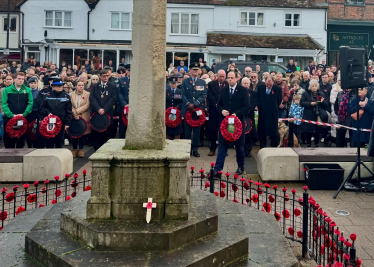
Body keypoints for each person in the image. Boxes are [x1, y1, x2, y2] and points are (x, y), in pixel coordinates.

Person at [213, 71, 250, 175]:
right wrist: (221, 111)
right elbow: (219, 105)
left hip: (237, 124)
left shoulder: (243, 90)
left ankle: (240, 167)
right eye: (228, 78)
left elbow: (246, 107)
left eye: (232, 78)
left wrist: (236, 114)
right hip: (225, 124)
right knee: (222, 145)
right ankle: (217, 169)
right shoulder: (224, 90)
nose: (230, 79)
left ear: (236, 79)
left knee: (239, 146)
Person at [1, 72, 33, 148]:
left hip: (22, 118)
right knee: (9, 140)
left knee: (21, 140)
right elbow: (4, 104)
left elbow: (30, 103)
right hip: (10, 118)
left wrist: (24, 114)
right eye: (19, 78)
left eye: (22, 79)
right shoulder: (7, 90)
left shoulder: (27, 90)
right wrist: (11, 115)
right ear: (14, 79)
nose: (21, 80)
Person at [181, 63, 207, 157]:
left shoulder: (201, 82)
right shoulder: (185, 82)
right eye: (193, 70)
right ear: (190, 71)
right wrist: (188, 104)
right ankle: (187, 149)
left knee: (197, 131)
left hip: (197, 110)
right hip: (187, 109)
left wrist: (195, 104)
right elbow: (182, 94)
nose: (195, 72)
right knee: (187, 131)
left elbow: (203, 94)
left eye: (197, 70)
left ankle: (195, 149)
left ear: (199, 71)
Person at [89, 69, 117, 150]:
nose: (106, 78)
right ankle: (96, 148)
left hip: (107, 112)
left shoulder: (112, 86)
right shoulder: (95, 86)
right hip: (97, 113)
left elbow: (114, 98)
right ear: (100, 77)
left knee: (107, 132)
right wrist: (98, 109)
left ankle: (106, 149)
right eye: (104, 76)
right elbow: (92, 98)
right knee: (97, 132)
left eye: (107, 76)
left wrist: (104, 109)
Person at [40, 78, 72, 148]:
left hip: (61, 122)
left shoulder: (66, 96)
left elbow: (68, 111)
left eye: (61, 86)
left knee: (59, 142)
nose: (60, 87)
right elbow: (42, 108)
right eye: (58, 86)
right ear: (53, 86)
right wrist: (48, 113)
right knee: (49, 142)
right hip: (49, 122)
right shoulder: (47, 96)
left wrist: (67, 123)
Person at [300, 79, 329, 147]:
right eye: (313, 86)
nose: (314, 87)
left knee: (317, 130)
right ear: (310, 86)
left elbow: (326, 105)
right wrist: (310, 103)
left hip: (318, 114)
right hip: (309, 114)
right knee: (308, 130)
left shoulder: (321, 94)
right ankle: (309, 143)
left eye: (315, 86)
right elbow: (301, 103)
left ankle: (317, 143)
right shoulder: (306, 93)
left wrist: (323, 101)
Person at [257, 75, 282, 148]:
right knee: (262, 130)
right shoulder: (260, 88)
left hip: (273, 113)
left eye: (270, 83)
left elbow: (279, 100)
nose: (268, 85)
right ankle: (262, 146)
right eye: (267, 83)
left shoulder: (277, 89)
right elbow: (258, 98)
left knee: (273, 131)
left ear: (273, 82)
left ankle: (274, 146)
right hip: (262, 112)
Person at [207, 70, 227, 156]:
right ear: (217, 76)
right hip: (214, 111)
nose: (221, 78)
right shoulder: (211, 84)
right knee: (213, 131)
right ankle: (212, 149)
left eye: (223, 76)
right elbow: (209, 95)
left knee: (223, 131)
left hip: (224, 111)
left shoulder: (227, 84)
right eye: (220, 76)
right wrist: (216, 104)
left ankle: (223, 149)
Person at [70, 81, 91, 157]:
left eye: (82, 85)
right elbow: (69, 104)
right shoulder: (71, 94)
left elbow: (87, 105)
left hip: (84, 116)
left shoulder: (88, 94)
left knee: (83, 133)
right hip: (73, 116)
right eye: (79, 85)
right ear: (76, 86)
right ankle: (74, 149)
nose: (81, 86)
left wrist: (77, 111)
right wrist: (74, 112)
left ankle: (81, 149)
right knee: (74, 133)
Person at [241, 77, 258, 157]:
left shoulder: (253, 93)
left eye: (247, 83)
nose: (246, 85)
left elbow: (254, 103)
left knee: (250, 135)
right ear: (241, 84)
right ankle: (241, 150)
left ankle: (248, 150)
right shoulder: (238, 92)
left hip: (250, 116)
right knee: (241, 134)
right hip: (241, 116)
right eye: (244, 83)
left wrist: (248, 110)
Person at [26, 77, 40, 148]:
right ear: (29, 84)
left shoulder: (39, 92)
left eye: (35, 83)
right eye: (31, 83)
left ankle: (35, 145)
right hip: (28, 113)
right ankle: (29, 145)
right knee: (28, 129)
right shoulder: (27, 91)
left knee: (35, 129)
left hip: (36, 112)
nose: (33, 85)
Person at [117, 64, 130, 139]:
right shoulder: (121, 80)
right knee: (122, 125)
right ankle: (121, 139)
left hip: (133, 106)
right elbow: (119, 93)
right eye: (129, 71)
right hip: (123, 106)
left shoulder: (136, 80)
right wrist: (124, 104)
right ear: (127, 72)